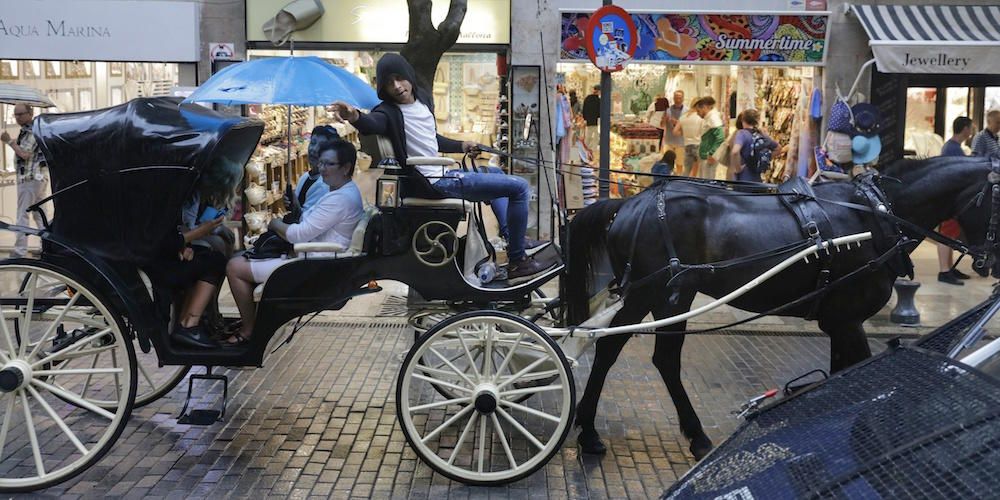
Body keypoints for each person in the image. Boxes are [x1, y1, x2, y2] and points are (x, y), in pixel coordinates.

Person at [330, 53, 554, 282]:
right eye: (389, 82)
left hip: (444, 173)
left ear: (408, 76)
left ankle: (511, 238)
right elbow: (372, 123)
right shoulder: (387, 112)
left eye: (399, 78)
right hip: (433, 183)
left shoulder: (423, 102)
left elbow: (431, 139)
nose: (396, 86)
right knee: (520, 188)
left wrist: (462, 145)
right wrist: (354, 116)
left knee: (496, 172)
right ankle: (518, 260)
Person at [223, 139, 364, 347]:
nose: (322, 169)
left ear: (346, 167)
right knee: (242, 259)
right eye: (321, 163)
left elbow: (298, 235)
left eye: (329, 164)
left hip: (312, 264)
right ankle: (254, 322)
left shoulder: (340, 199)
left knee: (234, 267)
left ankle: (249, 330)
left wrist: (274, 224)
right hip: (311, 257)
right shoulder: (340, 192)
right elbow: (310, 222)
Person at [146, 156, 243, 349]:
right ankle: (189, 324)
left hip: (163, 254)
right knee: (214, 262)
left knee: (212, 255)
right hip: (158, 263)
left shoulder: (174, 193)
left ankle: (195, 319)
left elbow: (174, 234)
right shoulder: (179, 197)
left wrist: (184, 245)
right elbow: (169, 237)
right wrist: (195, 236)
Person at [0, 104, 47, 257]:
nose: (17, 117)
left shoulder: (32, 130)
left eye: (20, 114)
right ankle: (47, 247)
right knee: (40, 215)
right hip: (36, 178)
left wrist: (9, 141)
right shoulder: (28, 130)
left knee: (22, 215)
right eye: (15, 115)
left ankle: (20, 251)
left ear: (30, 113)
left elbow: (25, 154)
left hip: (30, 179)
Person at [937, 116, 975, 286]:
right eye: (970, 127)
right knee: (946, 234)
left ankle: (949, 268)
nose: (971, 131)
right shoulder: (953, 149)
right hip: (950, 198)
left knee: (950, 234)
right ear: (965, 129)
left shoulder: (953, 147)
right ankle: (944, 270)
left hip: (951, 197)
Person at [283, 125, 339, 220]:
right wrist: (291, 202)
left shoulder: (324, 185)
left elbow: (307, 225)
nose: (314, 149)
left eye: (322, 146)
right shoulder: (305, 177)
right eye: (312, 143)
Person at [729, 109, 778, 183]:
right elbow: (778, 149)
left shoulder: (742, 133)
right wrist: (764, 159)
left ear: (743, 120)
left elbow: (735, 151)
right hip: (757, 178)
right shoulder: (761, 134)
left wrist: (738, 168)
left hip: (743, 178)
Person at [695, 97, 726, 180]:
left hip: (708, 157)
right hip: (705, 156)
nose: (697, 114)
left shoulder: (713, 118)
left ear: (704, 107)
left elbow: (720, 137)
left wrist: (712, 153)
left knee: (707, 183)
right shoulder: (709, 118)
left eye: (698, 111)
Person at [674, 100, 703, 177]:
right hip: (698, 144)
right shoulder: (700, 117)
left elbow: (675, 131)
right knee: (698, 170)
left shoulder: (683, 117)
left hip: (687, 145)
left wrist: (684, 133)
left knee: (687, 170)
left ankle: (684, 185)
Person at [661, 90, 687, 160]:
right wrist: (664, 119)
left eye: (680, 98)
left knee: (679, 165)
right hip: (668, 142)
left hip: (681, 143)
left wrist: (677, 123)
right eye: (676, 97)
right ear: (673, 98)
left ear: (683, 98)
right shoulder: (667, 110)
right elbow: (662, 125)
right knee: (667, 164)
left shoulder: (687, 111)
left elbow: (688, 127)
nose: (678, 100)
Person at [582, 84, 601, 152]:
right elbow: (600, 112)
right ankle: (594, 151)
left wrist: (585, 119)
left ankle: (585, 151)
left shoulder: (587, 98)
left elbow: (584, 110)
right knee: (596, 137)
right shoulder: (599, 100)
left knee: (588, 137)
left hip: (589, 121)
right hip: (596, 121)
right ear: (598, 91)